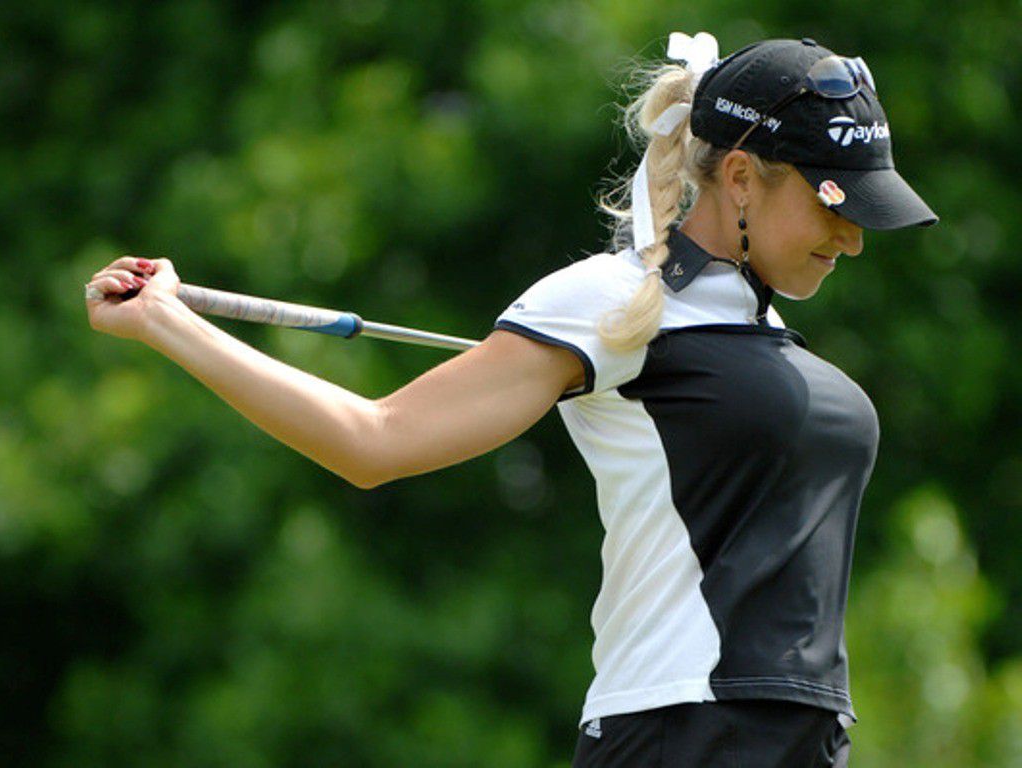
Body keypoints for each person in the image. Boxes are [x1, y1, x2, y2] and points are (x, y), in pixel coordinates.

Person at [85, 32, 937, 768]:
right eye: (831, 203)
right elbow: (373, 439)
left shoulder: (755, 326)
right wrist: (165, 321)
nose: (853, 237)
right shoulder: (610, 302)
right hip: (682, 730)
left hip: (798, 736)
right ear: (742, 177)